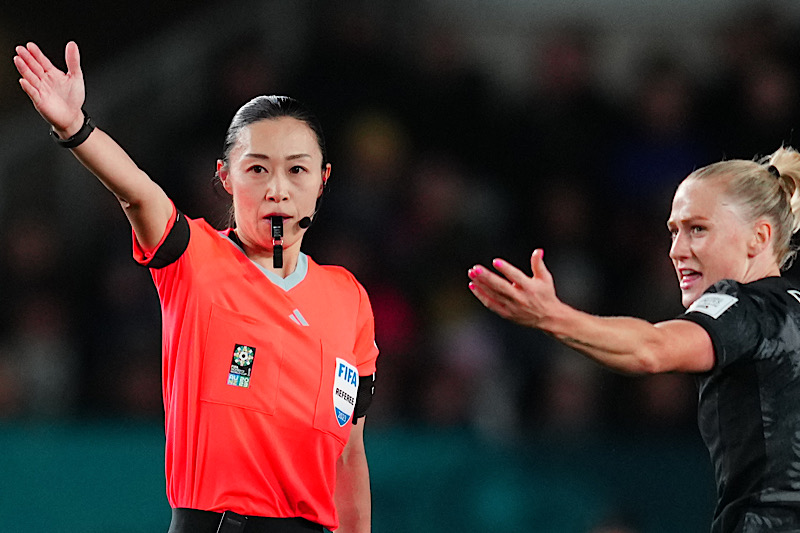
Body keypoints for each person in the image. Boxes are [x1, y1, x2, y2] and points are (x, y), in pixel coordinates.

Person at [14, 41, 378, 533]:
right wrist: (76, 128)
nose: (277, 188)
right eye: (257, 169)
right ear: (225, 178)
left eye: (297, 169)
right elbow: (137, 192)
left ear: (322, 179)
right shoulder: (196, 260)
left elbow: (349, 457)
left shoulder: (350, 299)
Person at [468, 148, 800, 532]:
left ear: (758, 237)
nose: (676, 251)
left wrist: (553, 316)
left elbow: (652, 349)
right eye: (674, 231)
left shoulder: (744, 307)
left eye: (698, 229)